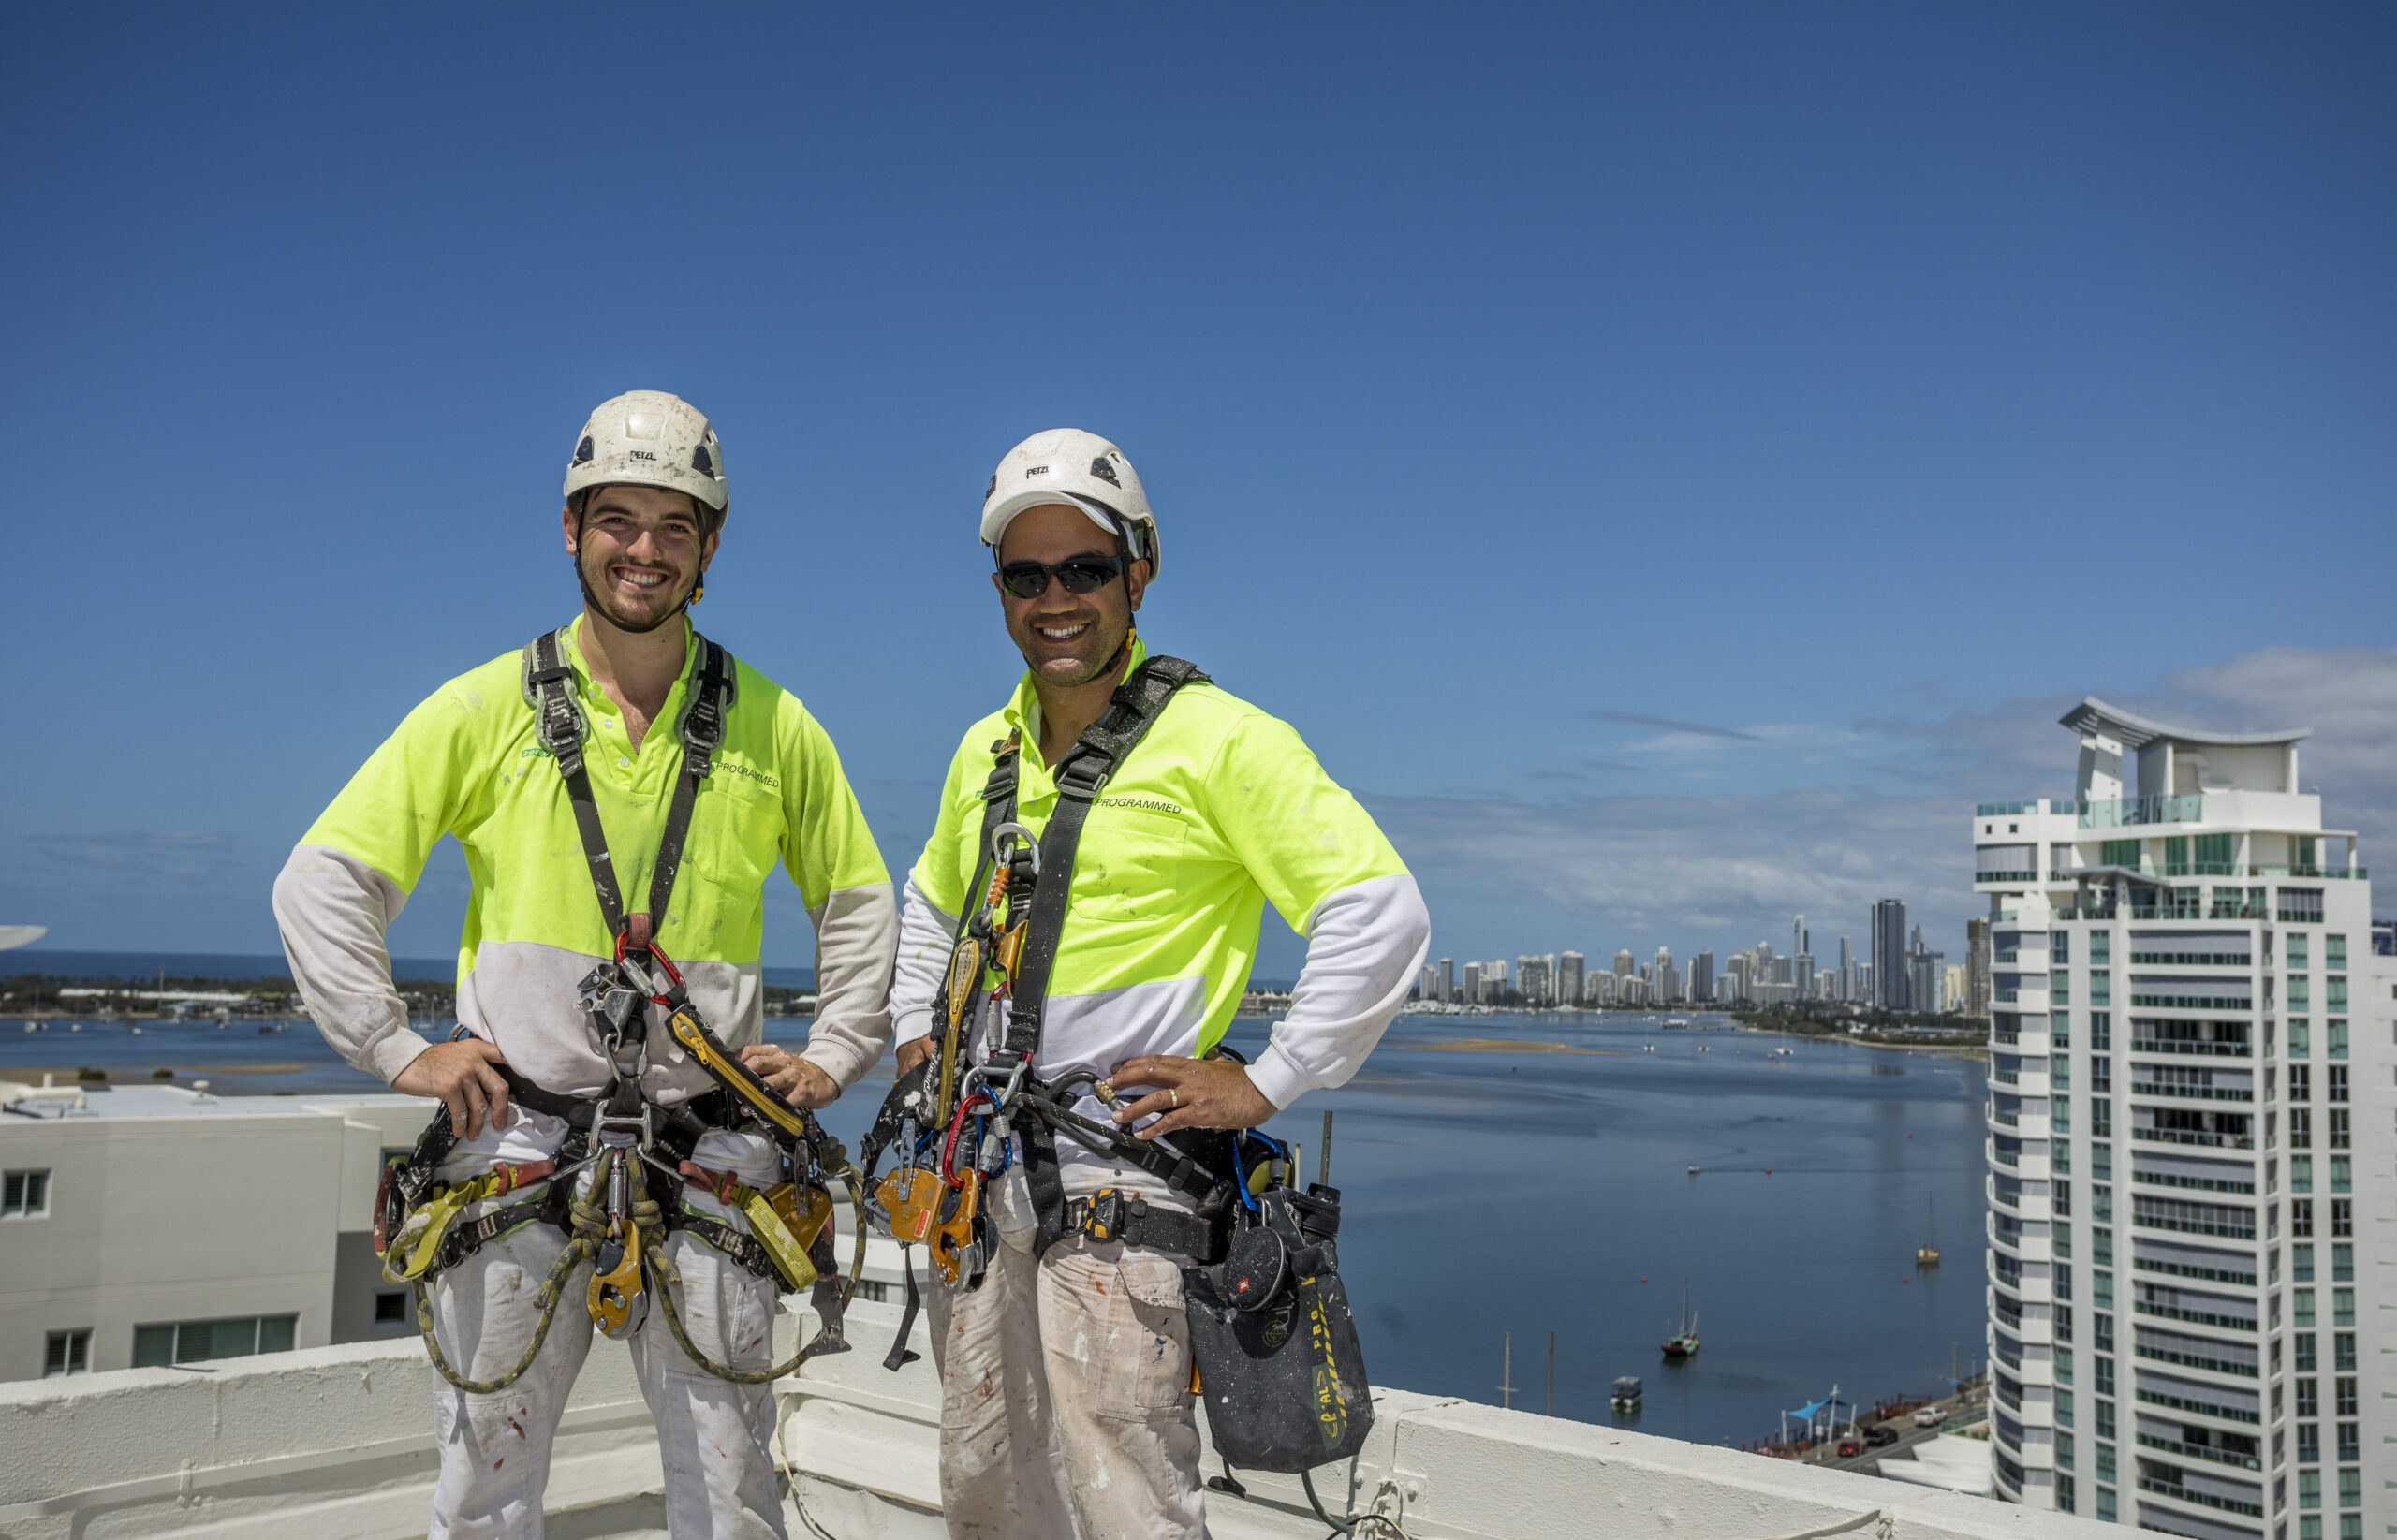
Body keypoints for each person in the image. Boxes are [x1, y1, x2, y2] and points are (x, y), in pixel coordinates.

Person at [272, 389, 896, 1539]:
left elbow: (860, 901)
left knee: (730, 1493)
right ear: (572, 529)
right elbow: (321, 879)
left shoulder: (774, 725)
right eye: (617, 520)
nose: (643, 551)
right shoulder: (485, 708)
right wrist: (396, 1048)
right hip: (518, 1148)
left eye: (673, 526)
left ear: (709, 545)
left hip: (707, 1152)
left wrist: (839, 1051)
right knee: (483, 1488)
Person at [888, 428, 1431, 1539]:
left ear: (1139, 573)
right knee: (986, 1487)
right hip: (983, 1194)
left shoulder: (1220, 741)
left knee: (1129, 1502)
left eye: (1084, 569)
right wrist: (913, 1040)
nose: (1055, 598)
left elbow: (1379, 913)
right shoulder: (987, 752)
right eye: (1026, 574)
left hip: (1122, 1199)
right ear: (999, 588)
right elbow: (931, 906)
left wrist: (1267, 1079)